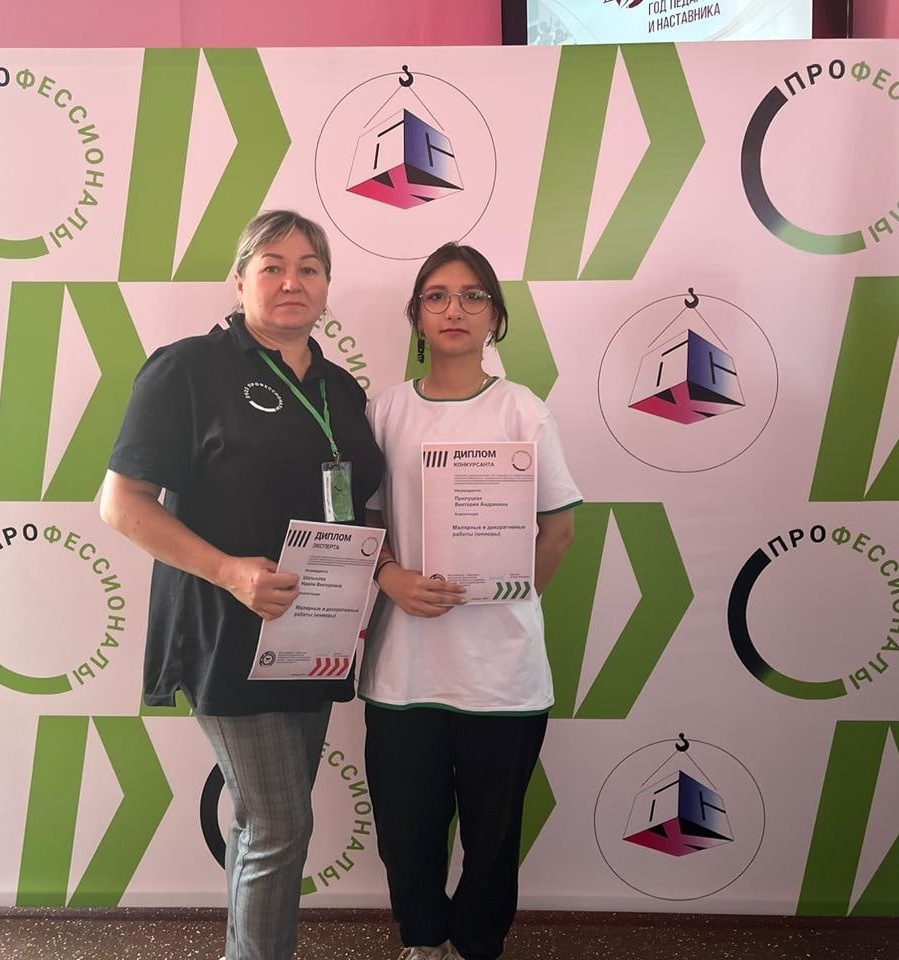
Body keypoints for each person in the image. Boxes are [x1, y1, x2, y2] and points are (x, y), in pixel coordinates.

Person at [99, 210, 383, 960]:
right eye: (272, 266)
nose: (292, 281)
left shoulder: (341, 389)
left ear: (326, 285)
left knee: (271, 824)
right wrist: (229, 571)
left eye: (309, 268)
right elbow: (122, 505)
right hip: (226, 629)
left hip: (314, 631)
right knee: (279, 825)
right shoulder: (189, 369)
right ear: (239, 280)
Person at [362, 243, 582, 960]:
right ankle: (423, 941)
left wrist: (506, 597)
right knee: (406, 829)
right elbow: (362, 522)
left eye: (472, 295)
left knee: (493, 836)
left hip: (501, 673)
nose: (454, 309)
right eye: (436, 296)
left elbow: (558, 529)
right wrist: (389, 577)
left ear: (496, 316)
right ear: (417, 317)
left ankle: (478, 944)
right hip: (404, 671)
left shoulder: (523, 411)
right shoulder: (384, 410)